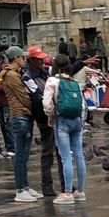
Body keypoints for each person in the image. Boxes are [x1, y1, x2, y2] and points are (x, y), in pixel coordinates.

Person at [44, 54, 87, 203]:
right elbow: (83, 105)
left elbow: (47, 104)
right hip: (77, 121)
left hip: (61, 121)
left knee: (66, 157)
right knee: (79, 155)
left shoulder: (53, 81)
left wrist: (51, 116)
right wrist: (81, 120)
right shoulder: (74, 82)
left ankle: (68, 193)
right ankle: (80, 191)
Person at [23, 47, 62, 199]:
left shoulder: (45, 73)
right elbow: (38, 95)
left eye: (42, 59)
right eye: (38, 59)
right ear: (31, 60)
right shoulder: (27, 77)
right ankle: (47, 185)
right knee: (47, 151)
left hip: (53, 114)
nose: (42, 61)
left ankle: (64, 183)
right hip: (43, 117)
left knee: (60, 151)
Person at [0, 47, 38, 203]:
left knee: (25, 154)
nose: (24, 60)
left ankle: (25, 186)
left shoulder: (16, 74)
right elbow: (23, 96)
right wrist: (36, 105)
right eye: (23, 57)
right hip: (19, 115)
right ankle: (20, 189)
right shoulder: (11, 75)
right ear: (16, 58)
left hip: (24, 115)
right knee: (20, 154)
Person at [0, 64, 15, 156]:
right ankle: (8, 146)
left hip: (6, 103)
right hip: (0, 103)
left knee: (8, 125)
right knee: (3, 126)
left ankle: (11, 147)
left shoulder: (7, 73)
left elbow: (8, 88)